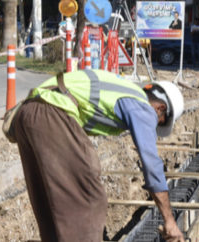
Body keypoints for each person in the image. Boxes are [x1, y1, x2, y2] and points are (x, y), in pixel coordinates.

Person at [11, 69, 186, 241]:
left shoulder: (123, 90)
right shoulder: (142, 106)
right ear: (160, 108)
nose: (153, 127)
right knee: (90, 198)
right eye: (159, 123)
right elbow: (152, 164)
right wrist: (169, 221)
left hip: (27, 113)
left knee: (52, 201)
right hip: (52, 112)